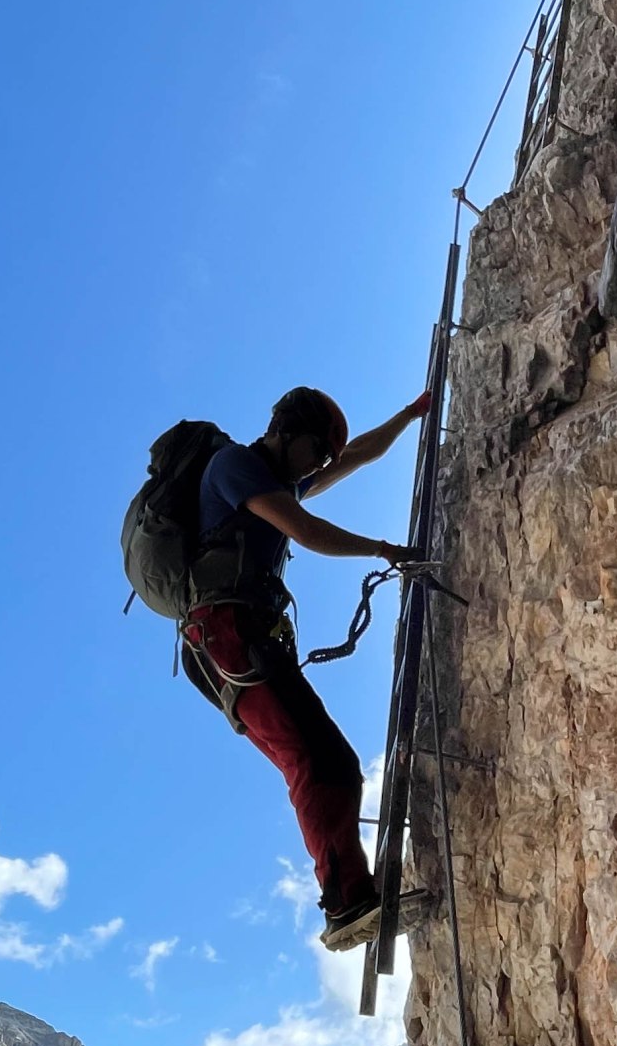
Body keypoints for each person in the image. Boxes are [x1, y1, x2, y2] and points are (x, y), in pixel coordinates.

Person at [181, 386, 432, 952]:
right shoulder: (237, 468)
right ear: (286, 432)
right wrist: (385, 549)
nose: (321, 466)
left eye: (323, 458)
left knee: (326, 761)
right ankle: (345, 904)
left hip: (242, 644)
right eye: (316, 451)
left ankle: (350, 896)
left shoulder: (280, 474)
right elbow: (304, 529)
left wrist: (410, 414)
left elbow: (358, 454)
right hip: (230, 639)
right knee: (319, 761)